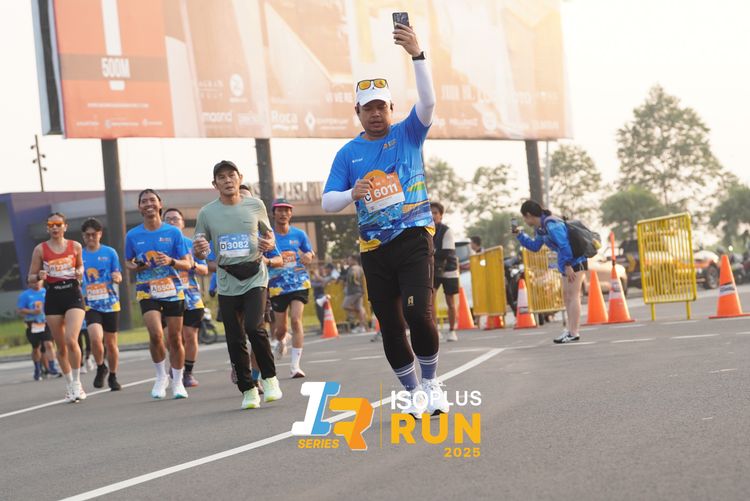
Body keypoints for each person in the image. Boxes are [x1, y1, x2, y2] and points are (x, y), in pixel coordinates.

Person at [321, 22, 448, 416]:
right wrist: (351, 193)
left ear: (391, 109)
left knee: (417, 312)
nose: (375, 114)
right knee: (390, 326)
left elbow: (428, 102)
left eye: (381, 106)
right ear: (357, 112)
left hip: (413, 238)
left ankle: (431, 383)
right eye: (368, 108)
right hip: (375, 250)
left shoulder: (409, 134)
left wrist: (417, 55)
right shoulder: (348, 154)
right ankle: (412, 391)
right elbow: (327, 201)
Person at [193, 160, 282, 410]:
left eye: (231, 175)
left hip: (255, 276)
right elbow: (199, 249)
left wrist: (269, 243)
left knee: (254, 327)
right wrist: (200, 250)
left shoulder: (255, 205)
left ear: (239, 177)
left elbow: (270, 236)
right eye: (221, 177)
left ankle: (270, 378)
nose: (227, 180)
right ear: (215, 184)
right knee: (235, 338)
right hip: (227, 280)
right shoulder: (207, 213)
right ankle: (248, 389)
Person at [125, 189, 193, 399]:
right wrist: (137, 265)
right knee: (155, 334)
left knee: (175, 338)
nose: (148, 204)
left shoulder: (173, 232)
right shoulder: (133, 235)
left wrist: (171, 261)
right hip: (147, 290)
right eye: (144, 201)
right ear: (139, 207)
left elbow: (187, 263)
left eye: (152, 200)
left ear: (160, 204)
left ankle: (178, 381)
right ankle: (161, 376)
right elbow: (128, 262)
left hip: (172, 289)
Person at [27, 212, 87, 402]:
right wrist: (39, 276)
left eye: (58, 224)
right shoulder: (40, 249)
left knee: (71, 339)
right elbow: (30, 278)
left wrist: (79, 271)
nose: (55, 227)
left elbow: (81, 267)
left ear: (65, 227)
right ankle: (69, 384)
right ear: (47, 228)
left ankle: (77, 383)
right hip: (53, 296)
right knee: (60, 346)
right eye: (51, 225)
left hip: (73, 294)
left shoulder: (75, 246)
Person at [513, 200, 587, 344]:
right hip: (566, 262)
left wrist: (568, 265)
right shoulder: (542, 228)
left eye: (524, 218)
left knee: (573, 296)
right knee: (567, 296)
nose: (525, 221)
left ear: (529, 215)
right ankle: (570, 330)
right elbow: (535, 246)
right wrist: (520, 235)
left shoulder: (552, 225)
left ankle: (574, 332)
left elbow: (564, 245)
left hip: (575, 261)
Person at [267, 198, 314, 378]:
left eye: (287, 210)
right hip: (277, 285)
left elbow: (309, 251)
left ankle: (295, 366)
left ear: (291, 214)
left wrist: (308, 255)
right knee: (280, 329)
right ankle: (281, 340)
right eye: (279, 210)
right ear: (273, 213)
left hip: (298, 282)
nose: (283, 213)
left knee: (296, 320)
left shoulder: (299, 234)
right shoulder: (269, 236)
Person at [164, 208, 209, 388]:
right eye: (168, 219)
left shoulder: (191, 244)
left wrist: (193, 265)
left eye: (176, 219)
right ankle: (177, 364)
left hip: (191, 296)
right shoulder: (160, 245)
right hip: (167, 295)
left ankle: (188, 372)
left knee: (190, 335)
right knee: (171, 338)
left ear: (183, 223)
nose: (172, 222)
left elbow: (205, 269)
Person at [80, 218, 123, 391]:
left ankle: (113, 375)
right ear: (83, 236)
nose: (90, 238)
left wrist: (117, 277)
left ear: (100, 234)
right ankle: (100, 367)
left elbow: (117, 273)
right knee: (95, 338)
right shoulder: (79, 254)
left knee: (111, 344)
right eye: (87, 235)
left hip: (110, 303)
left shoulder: (110, 252)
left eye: (94, 234)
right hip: (90, 304)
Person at [17, 280, 61, 380]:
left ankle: (52, 368)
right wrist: (32, 312)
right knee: (36, 348)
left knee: (49, 344)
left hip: (45, 323)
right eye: (33, 282)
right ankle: (37, 369)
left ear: (42, 282)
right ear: (28, 284)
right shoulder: (25, 295)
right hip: (32, 324)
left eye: (38, 281)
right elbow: (19, 310)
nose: (36, 283)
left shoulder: (47, 292)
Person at [430, 202, 459, 342]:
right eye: (430, 212)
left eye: (435, 213)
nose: (432, 215)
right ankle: (434, 331)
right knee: (430, 301)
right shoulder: (425, 231)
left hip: (449, 269)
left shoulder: (447, 231)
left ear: (441, 215)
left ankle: (452, 330)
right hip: (433, 270)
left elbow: (446, 253)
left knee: (450, 301)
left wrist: (430, 253)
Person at [341, 254, 367, 332]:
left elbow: (353, 276)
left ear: (354, 260)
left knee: (345, 305)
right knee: (359, 307)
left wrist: (353, 281)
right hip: (358, 291)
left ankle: (359, 315)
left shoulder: (353, 268)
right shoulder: (360, 268)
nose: (348, 261)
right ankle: (362, 326)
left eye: (349, 260)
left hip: (353, 291)